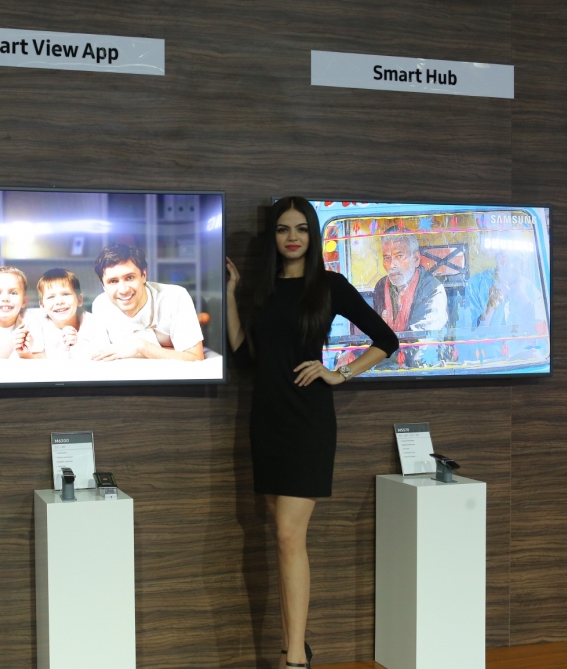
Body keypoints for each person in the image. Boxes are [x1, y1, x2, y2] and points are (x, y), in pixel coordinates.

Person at [226, 197, 398, 669]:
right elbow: (244, 358)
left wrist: (339, 373)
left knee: (287, 535)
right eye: (283, 229)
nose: (292, 237)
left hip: (308, 420)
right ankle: (291, 646)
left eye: (301, 228)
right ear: (274, 236)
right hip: (267, 419)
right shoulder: (262, 289)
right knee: (283, 540)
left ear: (313, 234)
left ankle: (296, 658)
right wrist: (232, 295)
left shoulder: (329, 285)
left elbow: (387, 339)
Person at [90, 243, 205, 361]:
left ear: (144, 275)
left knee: (204, 318)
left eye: (129, 277)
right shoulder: (101, 305)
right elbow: (103, 355)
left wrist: (142, 346)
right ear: (103, 285)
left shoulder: (175, 297)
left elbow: (195, 357)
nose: (123, 290)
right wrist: (167, 350)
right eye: (113, 281)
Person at [24, 268, 110, 359]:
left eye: (66, 294)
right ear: (42, 305)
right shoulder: (37, 325)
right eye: (51, 297)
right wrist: (63, 349)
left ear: (79, 300)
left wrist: (77, 345)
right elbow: (38, 361)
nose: (59, 302)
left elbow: (103, 359)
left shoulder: (93, 324)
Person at [371, 231, 448, 332]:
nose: (392, 265)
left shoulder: (433, 289)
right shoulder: (381, 286)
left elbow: (422, 335)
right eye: (387, 258)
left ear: (416, 259)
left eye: (399, 256)